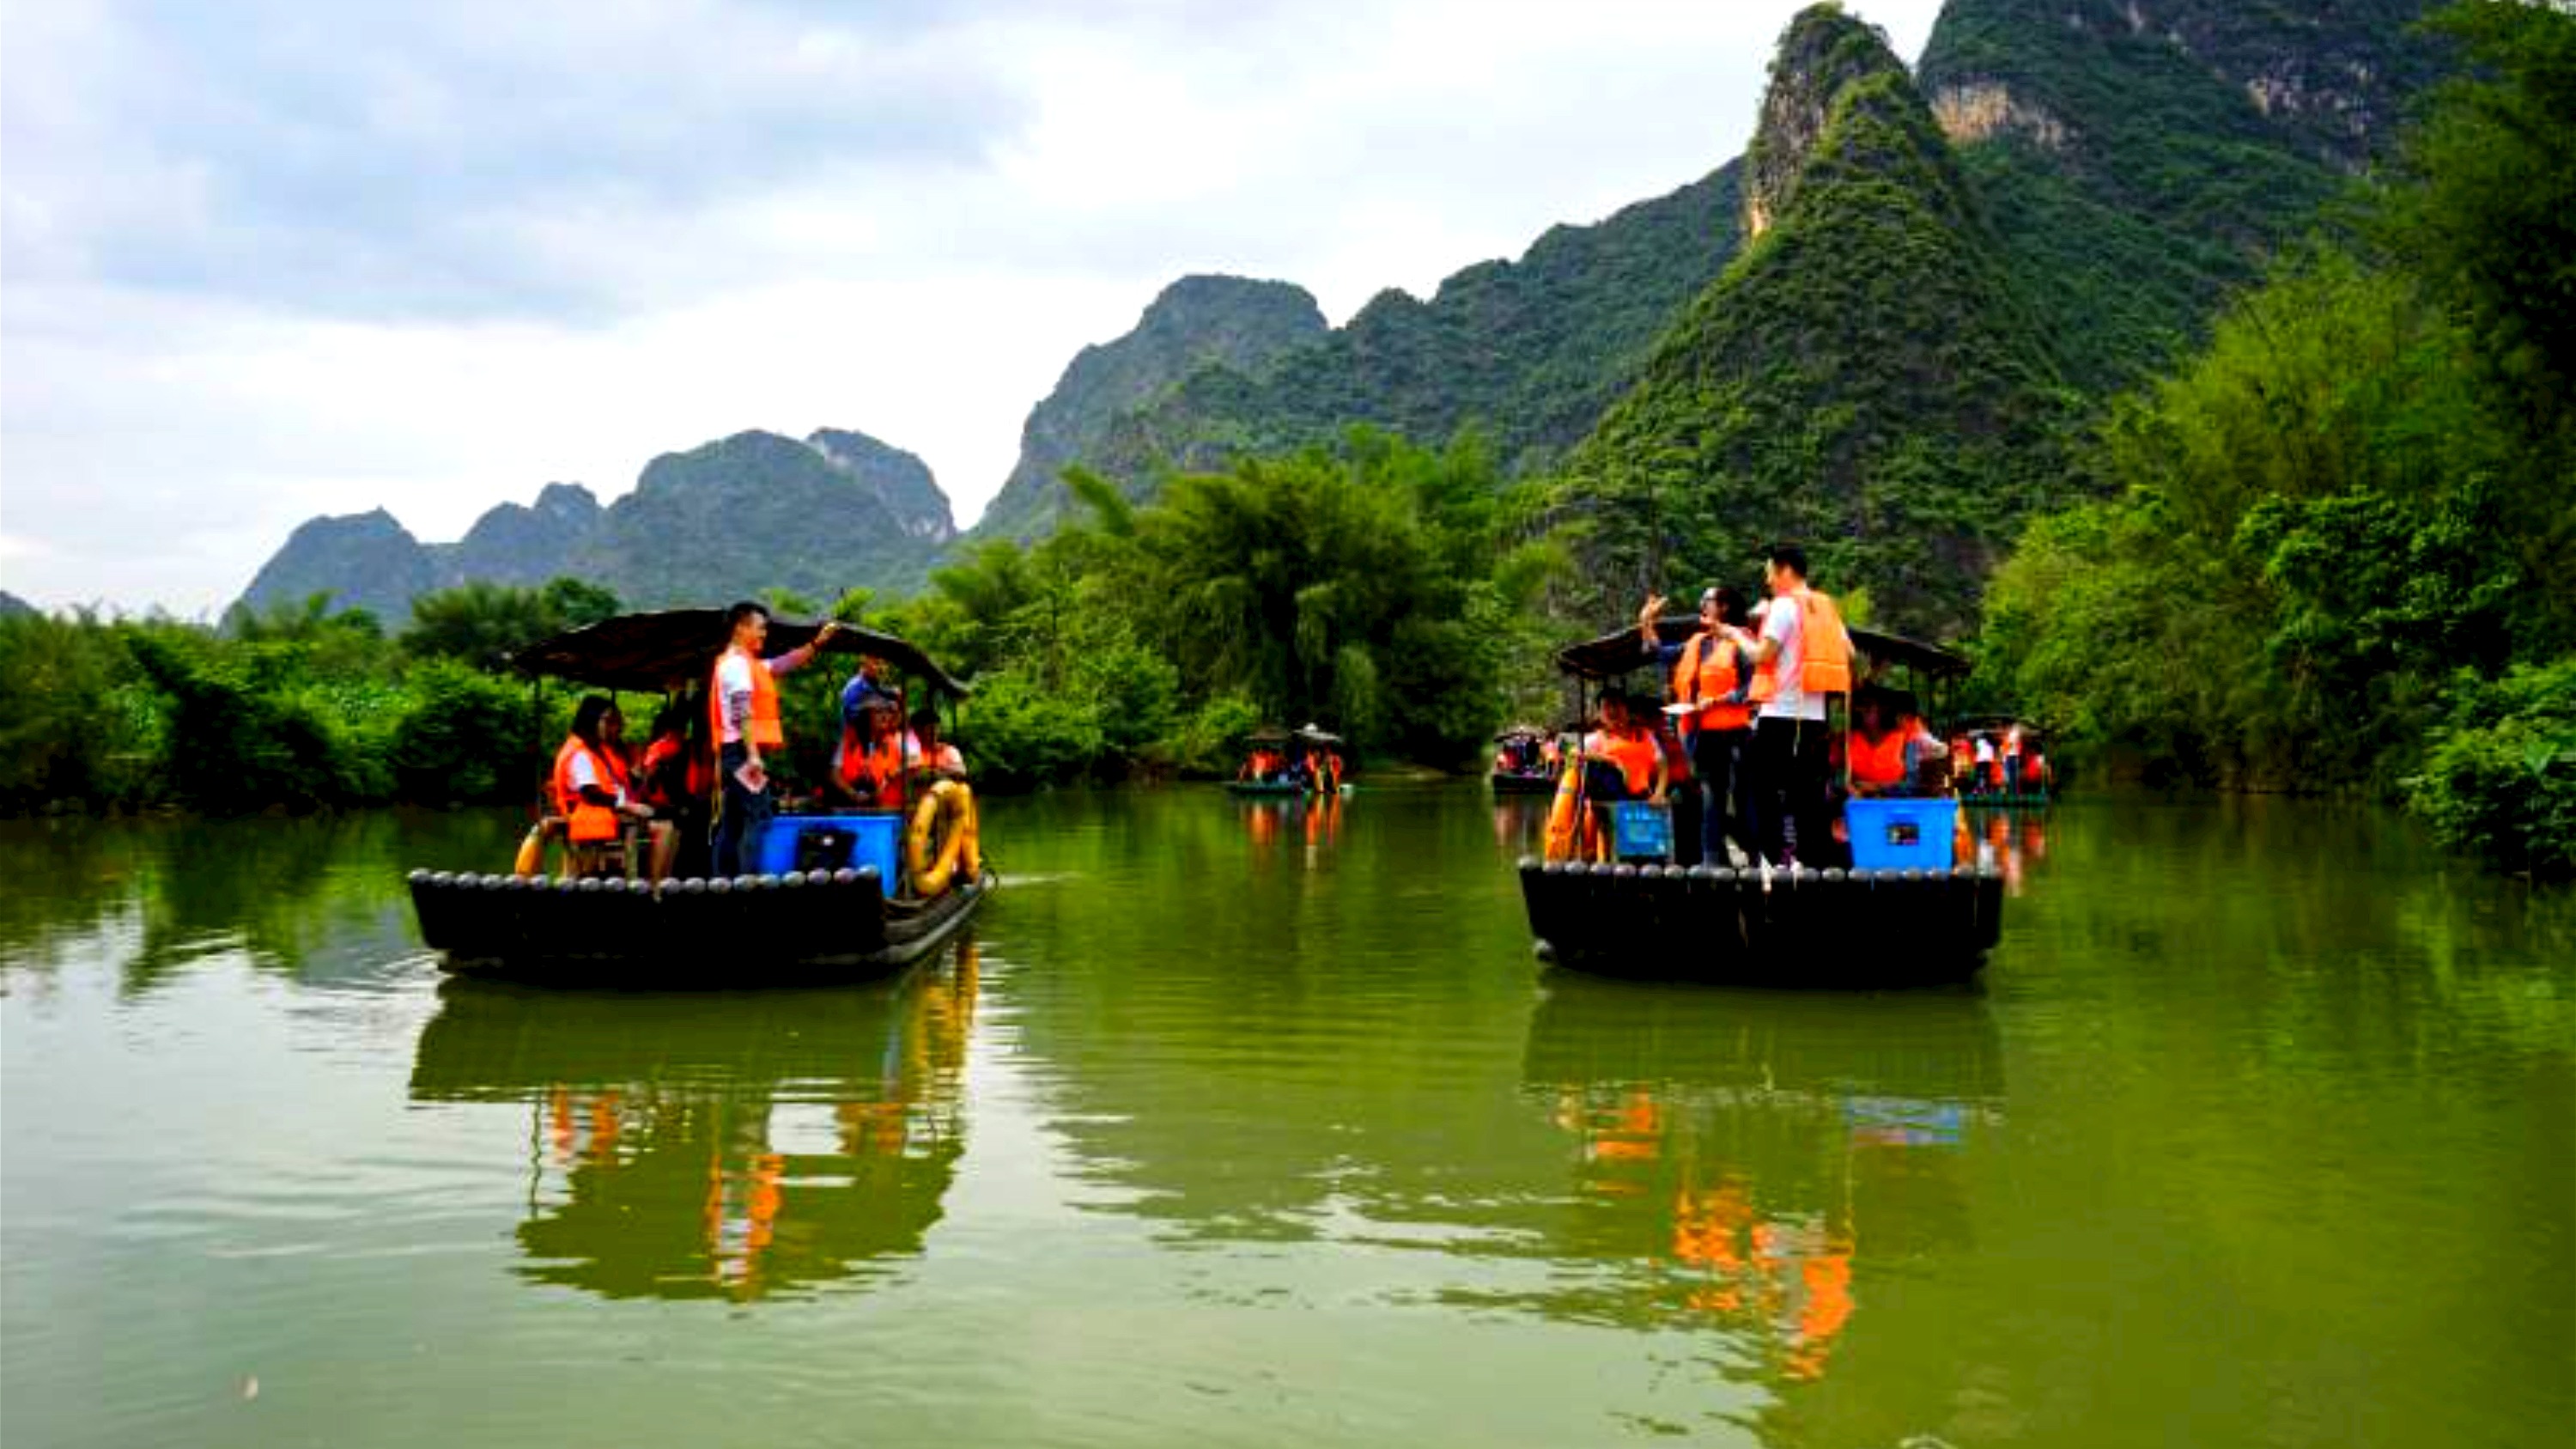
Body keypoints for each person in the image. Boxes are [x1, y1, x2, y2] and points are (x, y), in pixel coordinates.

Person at [1738, 542, 1851, 868]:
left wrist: (1735, 636)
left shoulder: (1785, 605)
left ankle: (1774, 861)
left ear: (1785, 570)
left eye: (1770, 573)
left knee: (1759, 788)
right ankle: (1812, 862)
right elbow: (1849, 652)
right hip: (1815, 718)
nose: (1768, 581)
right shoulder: (1826, 608)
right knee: (1808, 795)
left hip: (1781, 715)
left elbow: (1762, 655)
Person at [709, 602, 841, 878]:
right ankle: (748, 886)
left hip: (736, 755)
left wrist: (817, 644)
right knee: (759, 816)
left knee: (733, 822)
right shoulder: (736, 664)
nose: (764, 634)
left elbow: (782, 663)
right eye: (760, 628)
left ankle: (722, 884)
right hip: (742, 754)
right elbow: (742, 711)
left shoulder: (748, 664)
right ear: (740, 627)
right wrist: (754, 755)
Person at [1638, 585, 1759, 865]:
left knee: (1744, 801)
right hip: (1702, 735)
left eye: (1708, 600)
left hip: (1736, 734)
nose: (1702, 604)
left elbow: (1752, 687)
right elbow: (1660, 653)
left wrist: (1717, 701)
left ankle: (1755, 859)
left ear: (1724, 607)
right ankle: (1712, 862)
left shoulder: (1743, 641)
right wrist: (1646, 621)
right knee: (1711, 800)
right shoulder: (1697, 641)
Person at [552, 697, 674, 880]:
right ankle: (656, 887)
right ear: (591, 719)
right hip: (591, 817)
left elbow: (617, 784)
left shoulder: (597, 749)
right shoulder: (579, 752)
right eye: (608, 721)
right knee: (666, 827)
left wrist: (640, 774)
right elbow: (591, 794)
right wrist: (629, 806)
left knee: (671, 817)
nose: (613, 727)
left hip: (611, 813)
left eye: (615, 722)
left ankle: (659, 881)